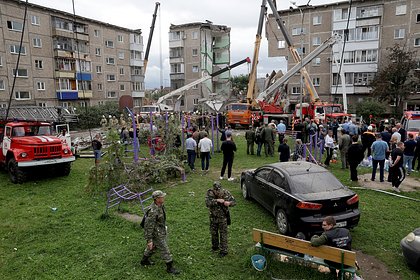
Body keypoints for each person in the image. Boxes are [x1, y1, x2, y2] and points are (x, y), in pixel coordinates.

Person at [140, 190, 180, 274]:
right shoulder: (152, 211)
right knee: (165, 249)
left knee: (153, 247)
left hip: (160, 230)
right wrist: (149, 240)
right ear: (157, 199)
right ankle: (169, 268)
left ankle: (144, 260)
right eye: (162, 196)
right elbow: (148, 227)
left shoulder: (160, 205)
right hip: (156, 233)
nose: (164, 197)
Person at [205, 181, 236, 257]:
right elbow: (207, 203)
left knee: (223, 234)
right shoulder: (210, 193)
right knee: (213, 233)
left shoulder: (225, 192)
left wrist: (229, 203)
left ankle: (224, 250)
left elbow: (234, 202)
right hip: (213, 217)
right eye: (216, 189)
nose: (218, 191)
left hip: (223, 218)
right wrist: (216, 200)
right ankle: (215, 246)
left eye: (219, 189)